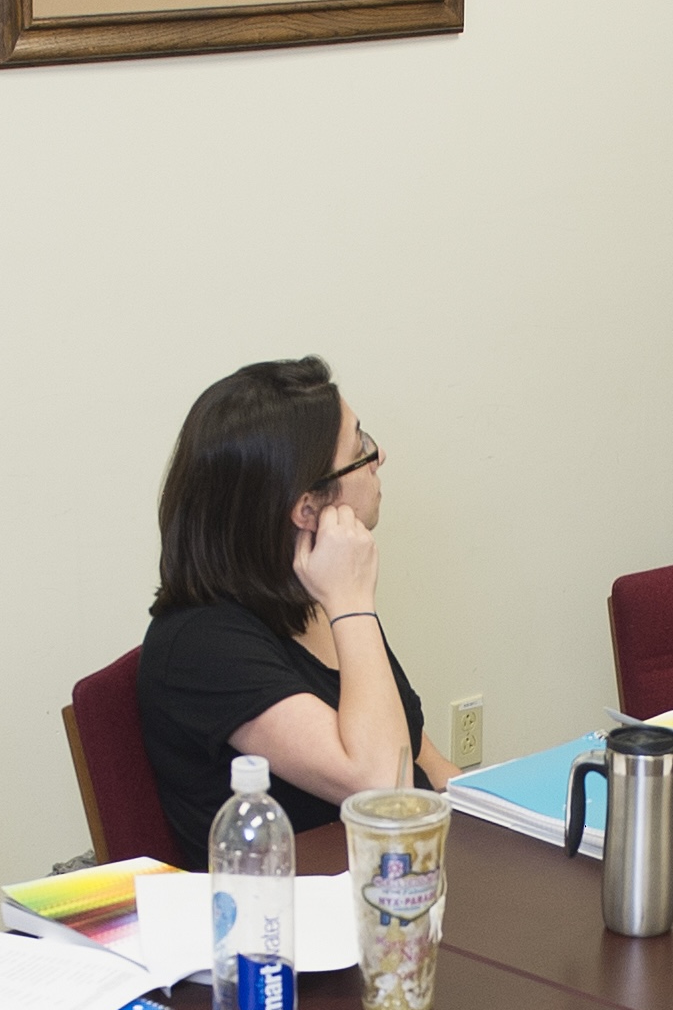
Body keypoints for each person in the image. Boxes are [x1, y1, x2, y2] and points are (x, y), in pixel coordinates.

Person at [135, 356, 458, 866]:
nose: (380, 457)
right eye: (361, 450)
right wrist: (352, 603)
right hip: (294, 928)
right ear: (308, 508)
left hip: (398, 883)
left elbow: (424, 762)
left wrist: (513, 826)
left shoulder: (314, 600)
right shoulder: (202, 645)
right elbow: (381, 787)